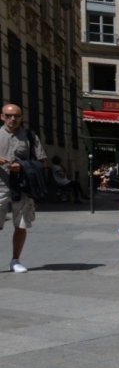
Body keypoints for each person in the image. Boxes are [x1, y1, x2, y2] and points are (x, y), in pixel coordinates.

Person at [0, 102, 48, 273]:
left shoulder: (29, 136)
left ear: (21, 118)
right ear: (2, 116)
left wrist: (23, 166)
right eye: (8, 115)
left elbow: (42, 162)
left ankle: (15, 260)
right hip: (1, 187)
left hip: (22, 187)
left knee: (20, 225)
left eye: (16, 116)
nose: (12, 119)